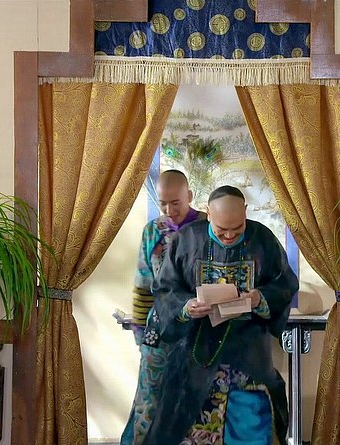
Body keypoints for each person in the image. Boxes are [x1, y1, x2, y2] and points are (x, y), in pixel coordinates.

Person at [143, 185, 298, 445]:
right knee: (186, 427)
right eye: (221, 229)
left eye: (237, 229)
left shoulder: (263, 239)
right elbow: (165, 289)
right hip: (195, 353)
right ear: (208, 213)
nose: (229, 236)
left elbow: (285, 284)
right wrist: (186, 307)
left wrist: (260, 298)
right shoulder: (186, 240)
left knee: (252, 427)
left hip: (248, 355)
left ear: (245, 212)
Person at [121, 169, 206, 445]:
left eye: (176, 203)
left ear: (189, 196)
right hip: (158, 328)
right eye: (163, 204)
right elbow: (143, 283)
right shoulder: (152, 232)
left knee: (197, 400)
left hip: (200, 330)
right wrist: (139, 332)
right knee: (149, 399)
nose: (169, 210)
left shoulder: (207, 227)